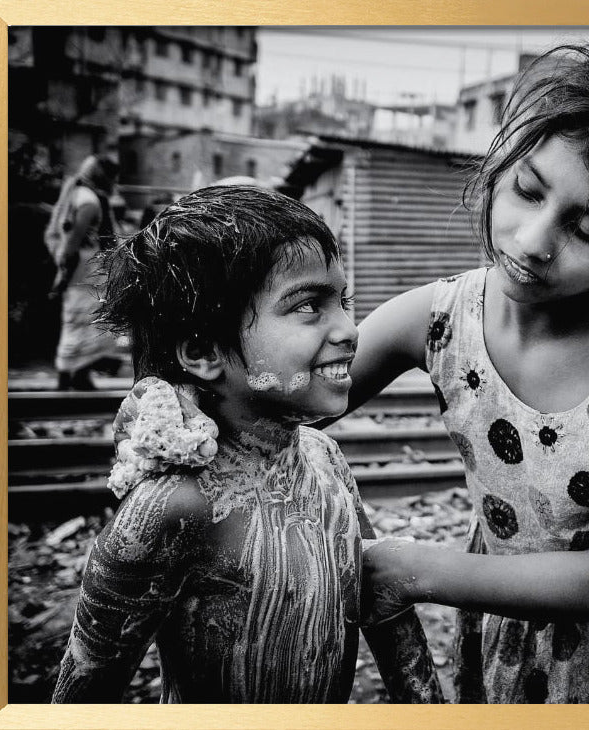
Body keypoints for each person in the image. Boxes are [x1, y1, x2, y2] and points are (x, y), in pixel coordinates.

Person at [347, 44, 589, 703]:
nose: (533, 240)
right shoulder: (441, 316)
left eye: (587, 228)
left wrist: (416, 571)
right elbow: (302, 399)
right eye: (528, 190)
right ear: (501, 165)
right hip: (508, 598)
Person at [51, 186, 443, 703]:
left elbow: (389, 618)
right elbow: (82, 692)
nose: (349, 329)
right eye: (309, 306)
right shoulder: (171, 506)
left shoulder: (325, 459)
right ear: (203, 350)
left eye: (343, 301)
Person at [44, 154, 123, 390]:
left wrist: (63, 274)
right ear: (104, 176)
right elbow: (73, 243)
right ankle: (78, 376)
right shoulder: (89, 201)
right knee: (87, 321)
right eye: (113, 178)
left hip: (80, 271)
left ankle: (68, 375)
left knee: (75, 321)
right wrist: (63, 276)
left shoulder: (77, 195)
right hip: (85, 271)